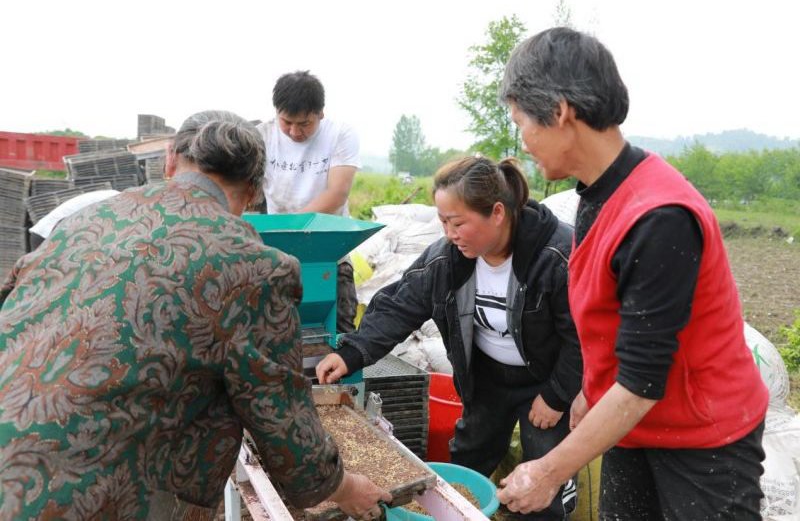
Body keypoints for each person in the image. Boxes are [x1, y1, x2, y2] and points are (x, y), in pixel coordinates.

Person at [0, 110, 390, 520]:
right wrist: (343, 486)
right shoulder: (254, 265)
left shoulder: (81, 223)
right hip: (85, 498)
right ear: (255, 189)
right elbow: (283, 423)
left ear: (170, 159)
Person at [496, 27, 769, 520]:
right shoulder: (596, 193)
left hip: (703, 442)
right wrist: (587, 390)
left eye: (522, 122)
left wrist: (548, 471)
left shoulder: (659, 217)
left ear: (559, 112)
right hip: (632, 423)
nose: (524, 141)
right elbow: (614, 318)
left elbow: (644, 379)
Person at [317, 156, 583, 520]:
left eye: (458, 223)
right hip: (487, 377)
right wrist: (352, 353)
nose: (449, 234)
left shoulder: (556, 255)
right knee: (469, 457)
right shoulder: (448, 258)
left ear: (498, 213)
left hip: (547, 379)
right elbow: (400, 306)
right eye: (443, 222)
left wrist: (556, 396)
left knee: (543, 475)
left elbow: (583, 335)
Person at [257, 70, 360, 334]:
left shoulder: (340, 134)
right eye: (286, 122)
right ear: (276, 112)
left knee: (342, 327)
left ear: (320, 114)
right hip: (278, 249)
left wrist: (292, 226)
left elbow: (337, 193)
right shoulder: (262, 136)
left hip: (329, 248)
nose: (294, 131)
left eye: (304, 124)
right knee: (274, 328)